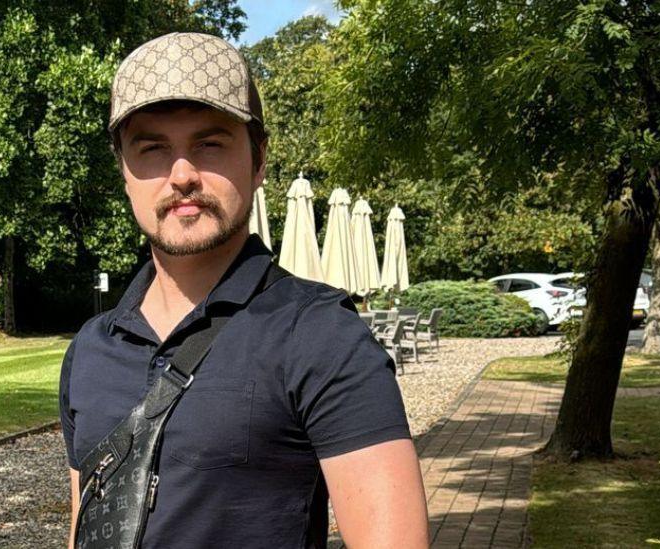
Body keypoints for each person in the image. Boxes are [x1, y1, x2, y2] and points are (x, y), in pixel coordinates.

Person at [59, 32, 429, 548]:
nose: (182, 174)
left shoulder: (321, 334)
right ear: (124, 172)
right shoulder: (91, 350)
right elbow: (90, 522)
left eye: (209, 144)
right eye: (152, 148)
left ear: (258, 162)